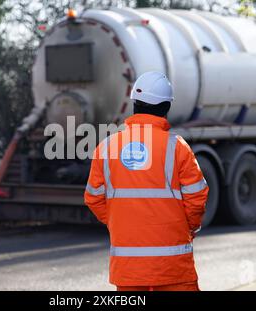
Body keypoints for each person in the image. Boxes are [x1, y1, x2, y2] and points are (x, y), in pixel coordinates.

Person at [84, 71, 209, 291]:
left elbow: (93, 198)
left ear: (134, 104)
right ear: (166, 108)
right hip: (173, 267)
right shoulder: (177, 147)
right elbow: (196, 197)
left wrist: (120, 221)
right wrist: (189, 228)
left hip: (129, 270)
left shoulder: (107, 147)